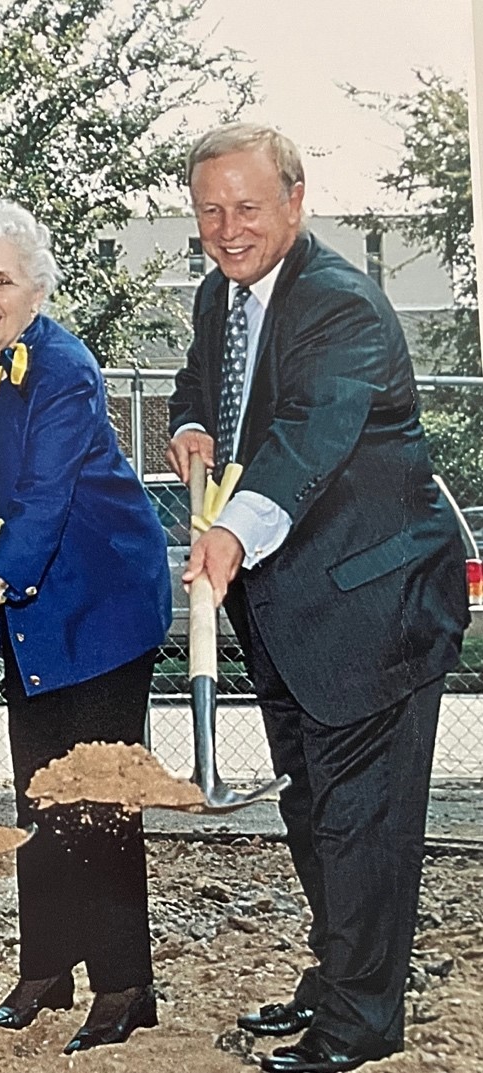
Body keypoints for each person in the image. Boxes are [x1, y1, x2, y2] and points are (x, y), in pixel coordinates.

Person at [167, 123, 468, 1073]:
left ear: (296, 202)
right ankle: (343, 975)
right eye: (210, 210)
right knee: (317, 813)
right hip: (295, 612)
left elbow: (307, 435)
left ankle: (359, 1022)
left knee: (361, 826)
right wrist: (184, 418)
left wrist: (229, 531)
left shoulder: (338, 305)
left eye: (247, 208)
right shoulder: (228, 294)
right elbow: (209, 379)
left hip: (372, 611)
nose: (227, 228)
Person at [0, 199, 171, 1055]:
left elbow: (44, 501)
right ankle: (44, 969)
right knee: (36, 788)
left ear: (35, 290)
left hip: (101, 599)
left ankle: (124, 986)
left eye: (1, 281)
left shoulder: (66, 369)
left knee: (97, 796)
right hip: (24, 600)